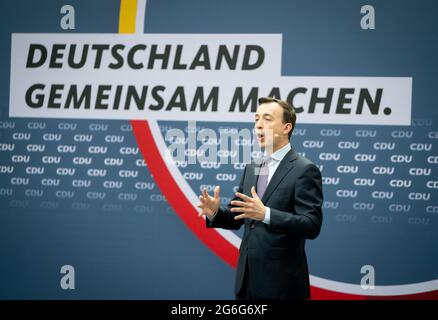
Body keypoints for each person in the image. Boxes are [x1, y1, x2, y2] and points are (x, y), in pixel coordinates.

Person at [197, 97, 323, 300]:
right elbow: (238, 216)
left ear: (286, 127)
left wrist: (266, 214)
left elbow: (311, 224)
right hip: (247, 283)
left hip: (282, 286)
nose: (258, 125)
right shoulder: (252, 167)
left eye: (267, 119)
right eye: (256, 119)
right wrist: (215, 213)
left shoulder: (304, 169)